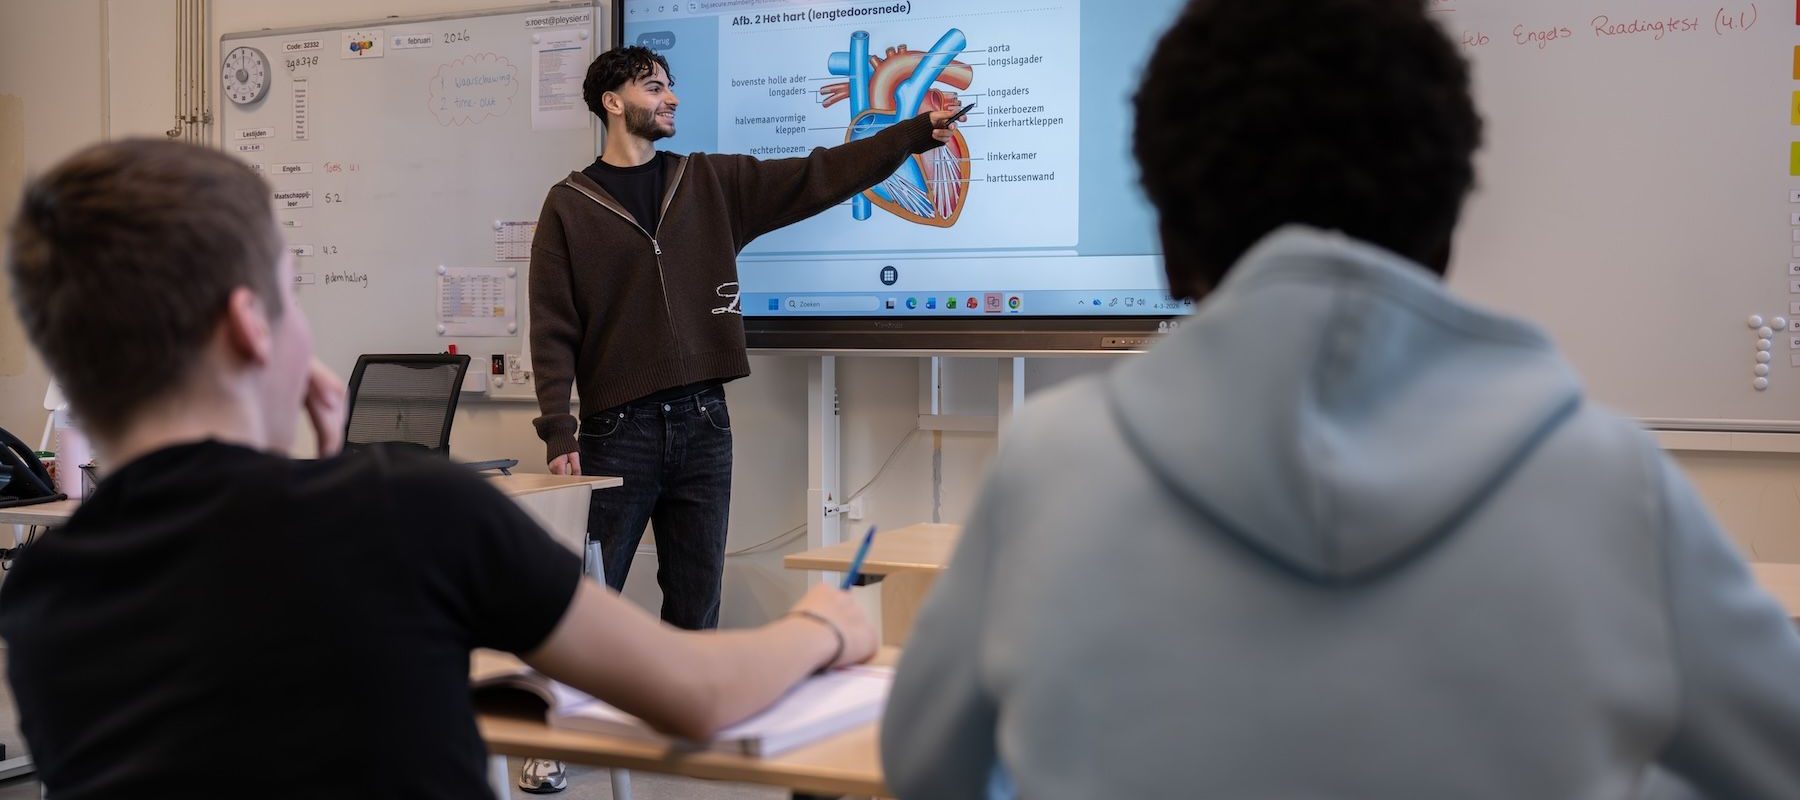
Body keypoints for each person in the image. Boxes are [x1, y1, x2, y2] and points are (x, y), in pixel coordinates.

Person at [879, 0, 1800, 797]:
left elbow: (927, 769)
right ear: (1445, 231)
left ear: (1166, 243)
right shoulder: (1616, 491)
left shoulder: (1051, 469)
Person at [0, 138, 877, 800]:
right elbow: (695, 692)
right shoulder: (406, 512)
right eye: (290, 291)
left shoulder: (44, 598)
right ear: (249, 326)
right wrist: (826, 625)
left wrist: (285, 460)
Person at [529, 46, 960, 629]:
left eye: (669, 87)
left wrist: (907, 136)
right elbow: (553, 323)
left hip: (704, 422)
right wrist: (559, 429)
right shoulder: (569, 204)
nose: (671, 98)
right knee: (581, 605)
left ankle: (688, 719)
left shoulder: (708, 181)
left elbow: (819, 174)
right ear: (613, 102)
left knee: (697, 606)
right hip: (615, 431)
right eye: (653, 88)